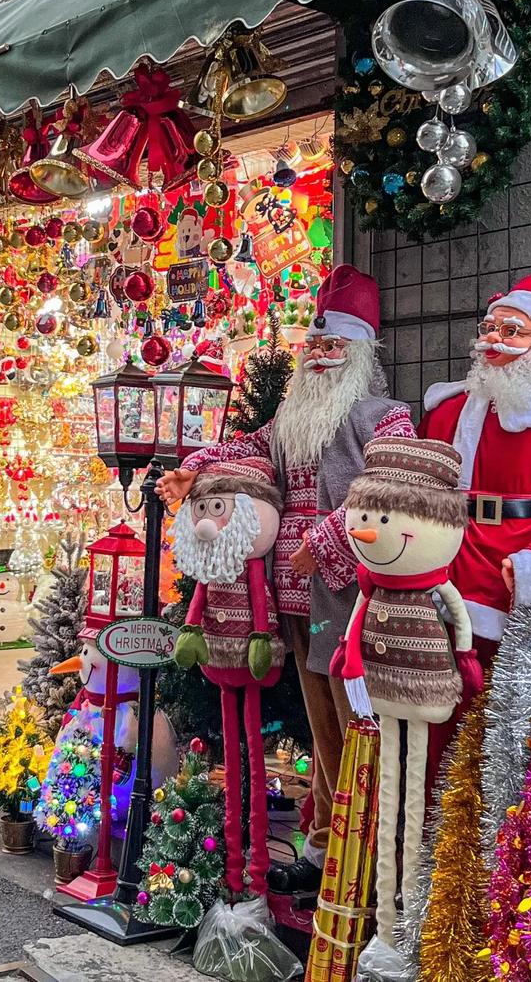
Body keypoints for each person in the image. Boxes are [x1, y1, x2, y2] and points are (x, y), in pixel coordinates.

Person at [156, 264, 415, 893]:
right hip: (286, 597)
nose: (322, 356)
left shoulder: (384, 416)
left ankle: (349, 848)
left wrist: (325, 541)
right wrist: (195, 471)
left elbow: (392, 489)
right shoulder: (292, 420)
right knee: (321, 721)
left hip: (347, 594)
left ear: (359, 353)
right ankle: (328, 843)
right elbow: (245, 447)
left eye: (335, 346)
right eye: (315, 345)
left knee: (349, 725)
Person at [418, 274, 531, 789]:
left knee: (502, 736)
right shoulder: (447, 408)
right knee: (434, 726)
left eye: (512, 330)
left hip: (511, 586)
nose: (494, 338)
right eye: (490, 326)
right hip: (441, 574)